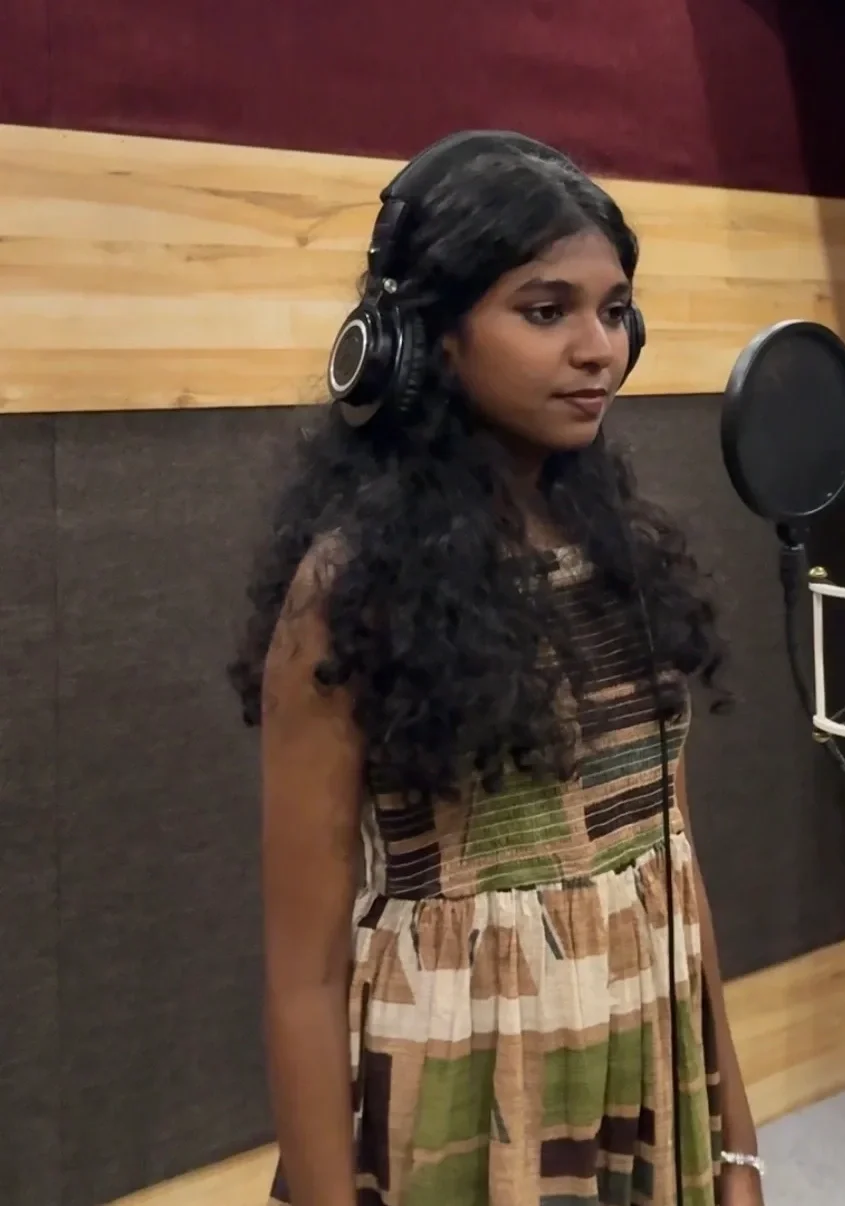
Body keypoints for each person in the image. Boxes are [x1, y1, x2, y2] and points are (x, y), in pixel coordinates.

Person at [229, 131, 763, 1206]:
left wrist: (737, 1147)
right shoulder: (346, 595)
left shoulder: (625, 555)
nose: (597, 348)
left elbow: (677, 871)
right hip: (460, 1087)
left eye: (614, 312)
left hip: (641, 1059)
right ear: (424, 342)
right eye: (545, 309)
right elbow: (304, 973)